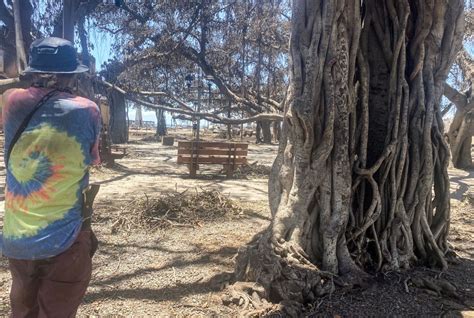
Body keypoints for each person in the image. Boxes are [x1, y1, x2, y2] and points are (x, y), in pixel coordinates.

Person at [0, 37, 101, 317]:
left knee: (22, 311)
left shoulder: (9, 102)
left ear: (31, 71)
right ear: (71, 75)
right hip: (64, 237)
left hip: (17, 235)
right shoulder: (88, 110)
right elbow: (92, 160)